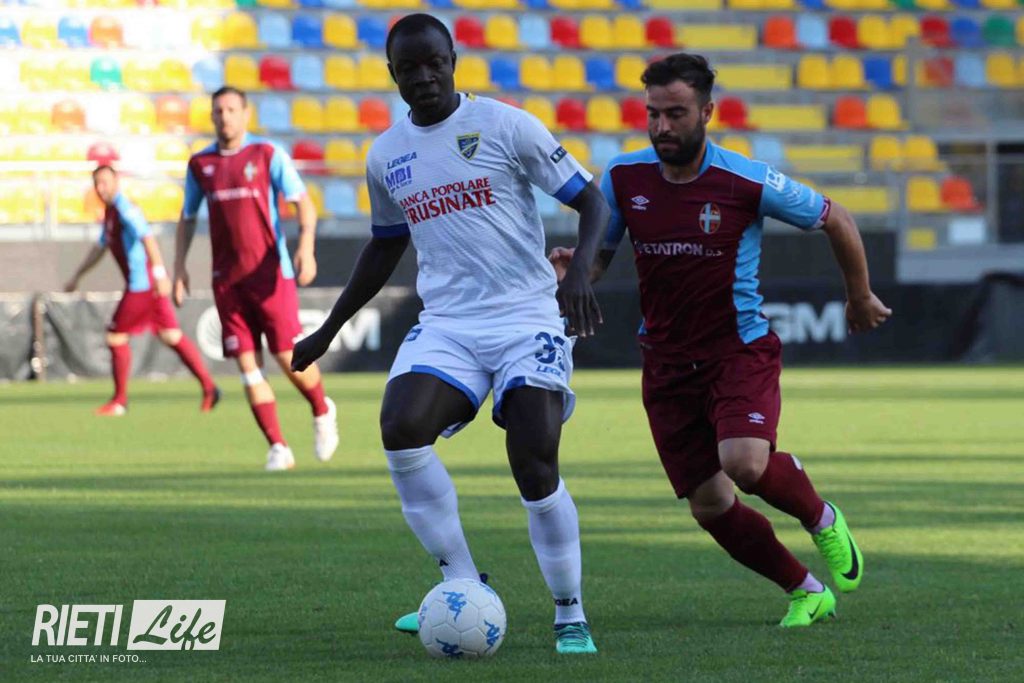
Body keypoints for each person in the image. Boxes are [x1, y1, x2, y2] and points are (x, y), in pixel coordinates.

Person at [291, 14, 608, 654]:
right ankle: (461, 583)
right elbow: (385, 246)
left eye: (434, 62)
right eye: (409, 68)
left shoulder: (506, 125)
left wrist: (580, 277)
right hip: (449, 324)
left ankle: (569, 614)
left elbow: (593, 202)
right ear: (393, 74)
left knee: (534, 454)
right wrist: (328, 328)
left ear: (453, 60)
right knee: (400, 426)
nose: (424, 76)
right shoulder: (386, 155)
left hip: (526, 315)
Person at [550, 53, 892, 627]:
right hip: (665, 362)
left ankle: (822, 518)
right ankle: (806, 590)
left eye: (675, 114)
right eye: (653, 114)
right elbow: (600, 258)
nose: (661, 126)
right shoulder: (624, 178)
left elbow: (837, 219)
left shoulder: (745, 180)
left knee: (745, 464)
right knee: (709, 504)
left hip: (737, 350)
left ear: (707, 112)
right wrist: (574, 270)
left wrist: (859, 297)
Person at [173, 86, 339, 471]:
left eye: (232, 109)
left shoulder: (266, 154)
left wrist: (306, 246)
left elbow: (303, 203)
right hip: (227, 282)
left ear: (245, 114)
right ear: (211, 116)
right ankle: (278, 446)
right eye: (218, 111)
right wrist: (179, 267)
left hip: (270, 275)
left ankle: (321, 409)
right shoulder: (200, 164)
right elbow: (187, 217)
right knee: (248, 368)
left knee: (287, 356)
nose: (225, 117)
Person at [65, 165, 219, 416]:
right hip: (147, 286)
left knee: (115, 337)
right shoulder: (111, 212)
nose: (101, 188)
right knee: (171, 335)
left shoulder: (126, 209)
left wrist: (159, 274)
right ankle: (210, 387)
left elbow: (148, 238)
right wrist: (77, 275)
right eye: (97, 183)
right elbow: (100, 247)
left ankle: (120, 401)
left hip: (143, 285)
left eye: (105, 182)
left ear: (116, 182)